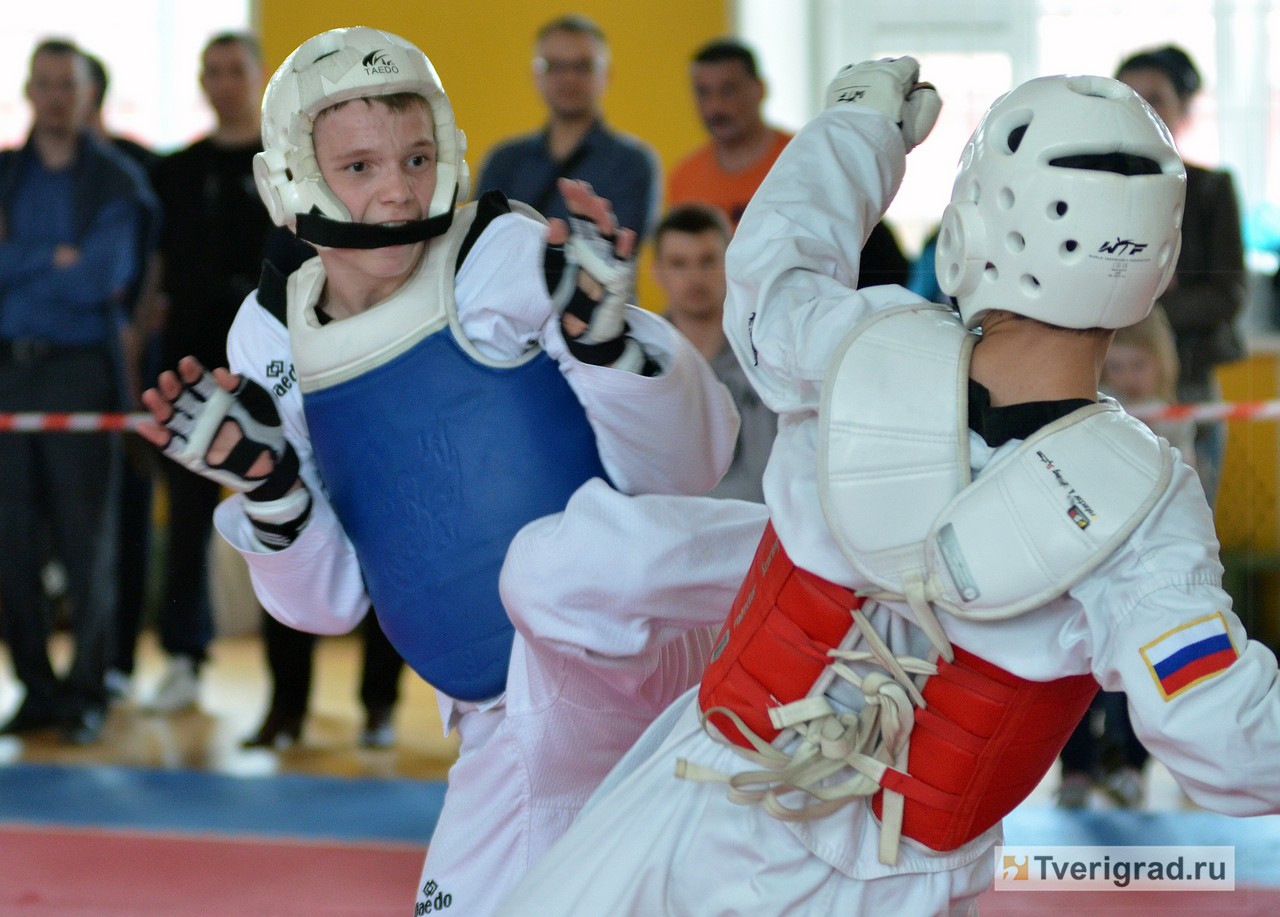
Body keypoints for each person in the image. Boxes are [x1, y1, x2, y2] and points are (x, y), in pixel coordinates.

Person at [501, 61, 1280, 915]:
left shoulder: (857, 344)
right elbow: (1224, 735)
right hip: (886, 885)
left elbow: (775, 273)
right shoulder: (1148, 507)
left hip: (694, 802)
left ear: (977, 218)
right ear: (1153, 263)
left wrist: (856, 132)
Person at [136, 27, 743, 915]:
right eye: (359, 167)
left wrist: (605, 341)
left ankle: (820, 571)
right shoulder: (269, 338)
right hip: (503, 719)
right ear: (292, 181)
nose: (396, 191)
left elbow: (692, 463)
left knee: (555, 568)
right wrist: (271, 487)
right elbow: (328, 603)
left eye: (417, 158)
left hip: (636, 651)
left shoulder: (500, 253)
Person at [0, 38, 155, 745]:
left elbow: (103, 278)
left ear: (91, 94)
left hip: (81, 372)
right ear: (29, 92)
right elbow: (68, 269)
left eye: (69, 84)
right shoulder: (6, 174)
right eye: (44, 83)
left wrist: (21, 265)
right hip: (9, 370)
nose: (55, 96)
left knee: (86, 541)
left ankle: (88, 687)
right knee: (11, 543)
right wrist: (52, 258)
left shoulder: (117, 181)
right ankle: (35, 686)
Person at [127, 31, 271, 713]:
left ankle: (288, 686)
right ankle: (184, 656)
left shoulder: (285, 166)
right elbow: (155, 274)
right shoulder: (176, 171)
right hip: (187, 363)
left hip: (267, 368)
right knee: (185, 516)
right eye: (210, 71)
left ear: (258, 75)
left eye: (234, 69)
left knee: (282, 507)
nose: (223, 82)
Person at [1058, 306, 1194, 809]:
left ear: (1161, 363)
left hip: (1145, 573)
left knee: (1135, 680)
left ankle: (1129, 768)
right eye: (1114, 369)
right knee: (1076, 676)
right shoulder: (1093, 415)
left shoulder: (1176, 421)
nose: (1125, 379)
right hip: (1090, 567)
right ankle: (1075, 769)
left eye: (1137, 367)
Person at [1116, 45, 1246, 510]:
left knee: (1190, 519)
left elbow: (1227, 295)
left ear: (1183, 109)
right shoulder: (1094, 190)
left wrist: (1140, 305)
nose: (1143, 108)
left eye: (1156, 97)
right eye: (1128, 96)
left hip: (1188, 378)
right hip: (1104, 381)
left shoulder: (1211, 190)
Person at [667, 37, 909, 285]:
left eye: (728, 90)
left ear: (760, 89)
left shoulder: (810, 160)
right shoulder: (684, 178)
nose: (715, 106)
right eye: (703, 92)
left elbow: (872, 249)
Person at [475, 15, 661, 238]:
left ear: (607, 74)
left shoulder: (632, 164)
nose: (569, 78)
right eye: (555, 66)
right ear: (536, 75)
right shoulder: (504, 161)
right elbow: (482, 243)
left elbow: (620, 251)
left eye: (583, 66)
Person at [652, 203, 775, 502]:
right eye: (679, 263)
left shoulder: (772, 348)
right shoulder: (639, 360)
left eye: (707, 261)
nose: (695, 277)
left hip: (767, 532)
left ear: (731, 261)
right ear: (657, 271)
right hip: (676, 532)